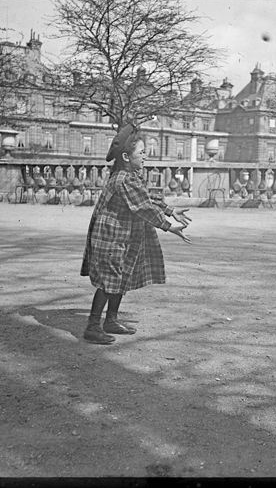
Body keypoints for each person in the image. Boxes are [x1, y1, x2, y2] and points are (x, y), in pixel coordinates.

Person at [80, 124, 192, 345]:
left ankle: (111, 320)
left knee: (119, 276)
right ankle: (92, 326)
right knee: (108, 280)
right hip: (110, 236)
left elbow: (146, 197)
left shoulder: (129, 175)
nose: (145, 156)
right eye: (141, 152)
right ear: (126, 156)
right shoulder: (124, 178)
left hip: (119, 234)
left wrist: (170, 210)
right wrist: (168, 226)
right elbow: (144, 207)